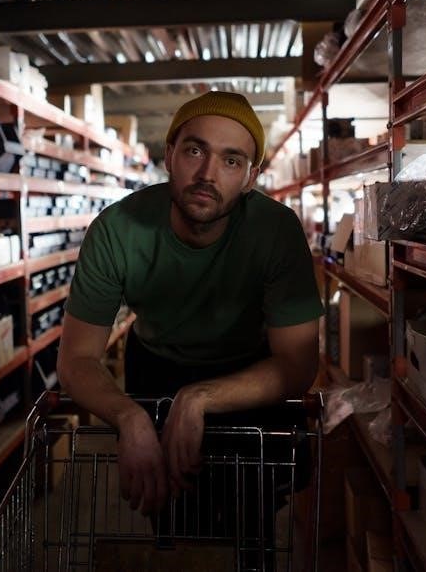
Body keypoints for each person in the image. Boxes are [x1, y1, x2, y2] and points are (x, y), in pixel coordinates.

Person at [56, 91, 323, 554]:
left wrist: (199, 398)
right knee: (174, 522)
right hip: (156, 366)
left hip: (249, 372)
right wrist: (129, 417)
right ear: (169, 156)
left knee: (250, 523)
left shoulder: (276, 231)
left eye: (231, 160)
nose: (207, 175)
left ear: (250, 177)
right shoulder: (117, 230)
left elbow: (298, 364)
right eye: (195, 151)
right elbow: (76, 358)